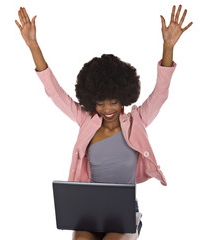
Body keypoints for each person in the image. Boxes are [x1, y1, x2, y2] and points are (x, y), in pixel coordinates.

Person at [15, 4, 192, 240]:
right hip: (89, 210)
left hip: (124, 212)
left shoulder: (137, 120)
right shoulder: (87, 121)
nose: (107, 109)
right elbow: (54, 92)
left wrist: (168, 47)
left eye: (113, 102)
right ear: (91, 101)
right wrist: (33, 46)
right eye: (100, 103)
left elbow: (161, 92)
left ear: (124, 98)